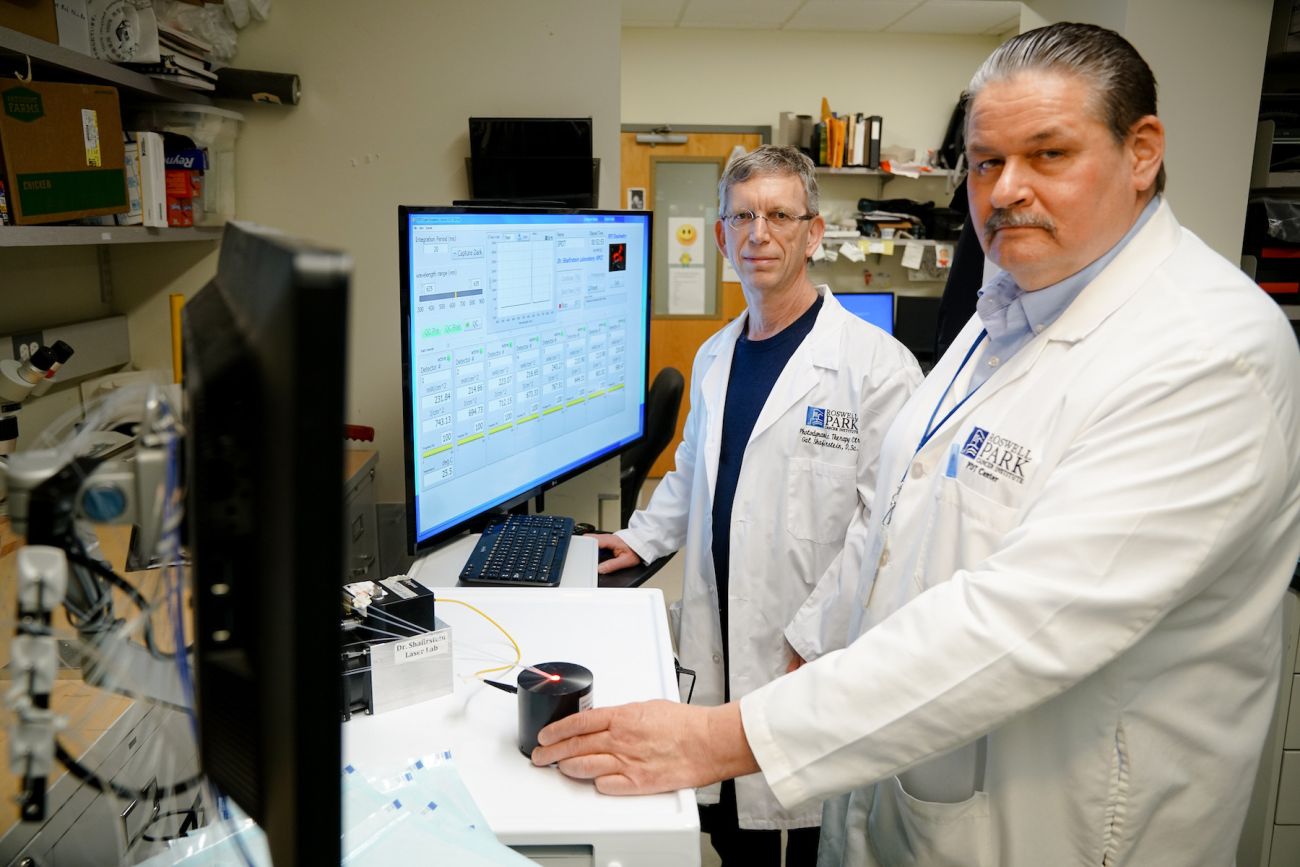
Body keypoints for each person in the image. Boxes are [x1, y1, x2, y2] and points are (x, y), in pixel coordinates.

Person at [534, 23, 1300, 867]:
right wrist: (814, 635)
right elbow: (890, 506)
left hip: (1060, 833)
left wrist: (724, 734)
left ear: (1142, 150)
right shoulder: (1004, 311)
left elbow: (1012, 625)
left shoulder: (1208, 353)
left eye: (1048, 154)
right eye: (983, 161)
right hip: (900, 790)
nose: (1005, 190)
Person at [591, 144, 922, 865]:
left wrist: (815, 630)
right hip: (721, 648)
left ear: (813, 231)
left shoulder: (878, 368)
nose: (758, 233)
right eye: (741, 216)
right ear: (719, 236)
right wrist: (642, 538)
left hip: (809, 655)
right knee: (735, 830)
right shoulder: (715, 355)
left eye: (779, 214)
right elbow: (693, 476)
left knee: (804, 834)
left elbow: (885, 527)